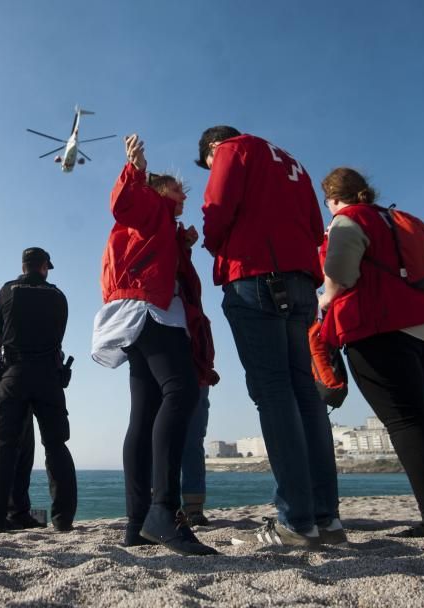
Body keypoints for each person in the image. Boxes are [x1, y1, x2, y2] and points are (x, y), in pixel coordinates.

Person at [196, 125, 343, 547]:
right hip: (300, 282)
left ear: (211, 148)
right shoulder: (291, 162)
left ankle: (295, 521)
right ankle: (325, 517)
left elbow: (217, 207)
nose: (209, 168)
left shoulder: (231, 150)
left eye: (206, 164)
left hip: (256, 275)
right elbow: (318, 228)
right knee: (304, 393)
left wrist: (211, 241)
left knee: (274, 393)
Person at [318, 168, 424, 539]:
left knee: (405, 424)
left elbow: (339, 273)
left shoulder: (348, 219)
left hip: (376, 325)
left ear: (333, 199)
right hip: (423, 324)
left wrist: (323, 299)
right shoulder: (398, 218)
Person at [91, 134, 217, 556]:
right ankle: (164, 510)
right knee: (180, 392)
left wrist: (180, 245)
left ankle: (137, 520)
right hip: (150, 314)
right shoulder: (150, 206)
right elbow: (123, 204)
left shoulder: (160, 222)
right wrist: (135, 170)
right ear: (161, 188)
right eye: (179, 187)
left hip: (134, 317)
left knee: (143, 415)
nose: (185, 194)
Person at [0, 247, 78, 533]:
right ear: (44, 267)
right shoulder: (59, 296)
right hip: (48, 376)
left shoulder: (7, 291)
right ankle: (62, 520)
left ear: (23, 266)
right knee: (57, 446)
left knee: (3, 444)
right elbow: (58, 336)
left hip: (14, 374)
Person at [175, 210, 220, 528]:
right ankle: (176, 505)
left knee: (192, 437)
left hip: (196, 361)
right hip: (181, 358)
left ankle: (191, 507)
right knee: (185, 437)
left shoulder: (188, 281)